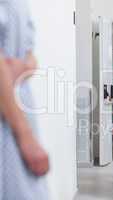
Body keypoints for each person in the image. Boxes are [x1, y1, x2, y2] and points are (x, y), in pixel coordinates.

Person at [0, 0, 49, 199]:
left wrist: (22, 67)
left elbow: (30, 56)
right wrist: (25, 136)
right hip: (8, 111)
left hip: (20, 105)